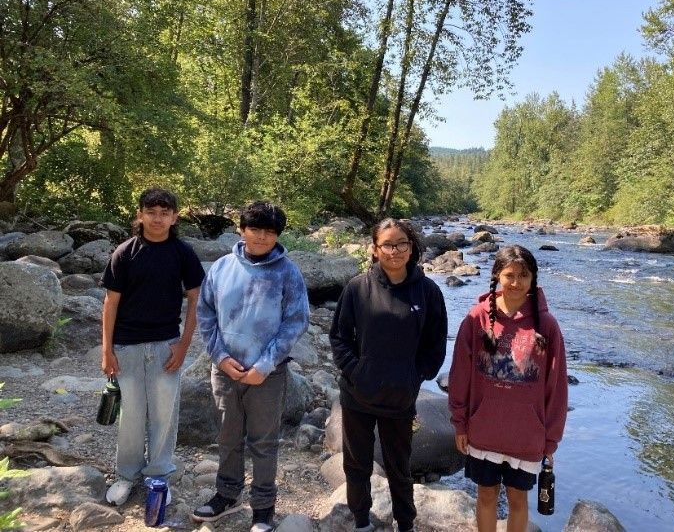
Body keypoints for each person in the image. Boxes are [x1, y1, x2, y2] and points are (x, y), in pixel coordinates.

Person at [193, 201, 309, 532]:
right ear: (241, 230)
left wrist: (266, 364)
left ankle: (262, 506)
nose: (261, 237)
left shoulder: (288, 272)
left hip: (267, 374)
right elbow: (205, 313)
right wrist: (220, 357)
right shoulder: (221, 267)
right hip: (225, 369)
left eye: (269, 232)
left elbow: (296, 321)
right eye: (254, 229)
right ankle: (226, 494)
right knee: (228, 436)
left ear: (277, 236)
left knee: (264, 441)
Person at [330, 218, 448, 532]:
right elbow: (339, 338)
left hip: (401, 397)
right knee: (356, 465)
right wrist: (357, 373)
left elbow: (436, 344)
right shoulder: (358, 288)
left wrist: (416, 376)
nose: (394, 251)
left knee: (399, 466)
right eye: (387, 244)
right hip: (357, 395)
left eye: (401, 244)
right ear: (375, 249)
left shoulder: (428, 292)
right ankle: (360, 521)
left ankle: (405, 523)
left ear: (412, 248)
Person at [448, 244, 568, 532]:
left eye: (523, 276)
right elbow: (460, 375)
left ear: (533, 279)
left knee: (518, 500)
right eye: (509, 275)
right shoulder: (476, 318)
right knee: (486, 495)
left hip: (526, 436)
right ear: (496, 277)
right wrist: (460, 423)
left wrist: (550, 438)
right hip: (483, 430)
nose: (516, 283)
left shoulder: (547, 326)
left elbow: (557, 386)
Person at [101, 187, 205, 506]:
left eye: (164, 213)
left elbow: (195, 299)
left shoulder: (182, 253)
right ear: (140, 215)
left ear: (174, 217)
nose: (157, 218)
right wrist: (107, 350)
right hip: (127, 345)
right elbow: (110, 303)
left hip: (166, 344)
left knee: (164, 412)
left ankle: (158, 474)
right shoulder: (125, 252)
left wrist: (184, 345)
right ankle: (126, 475)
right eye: (151, 212)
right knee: (131, 413)